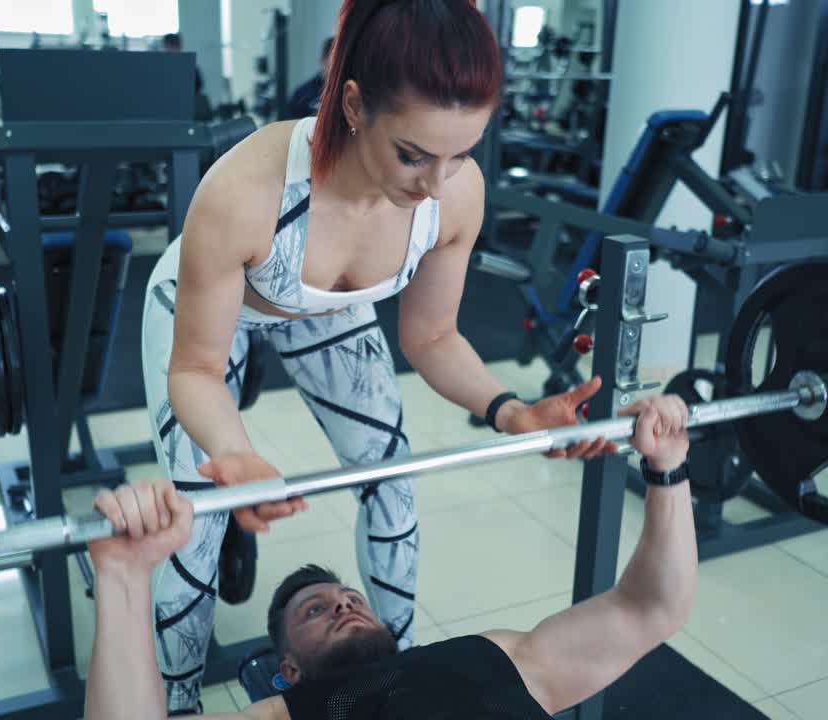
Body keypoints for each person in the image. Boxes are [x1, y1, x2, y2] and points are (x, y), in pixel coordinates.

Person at [140, 0, 608, 712]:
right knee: (197, 518)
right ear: (355, 106)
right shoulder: (245, 191)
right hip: (204, 311)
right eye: (413, 154)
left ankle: (398, 679)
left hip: (328, 309)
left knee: (392, 478)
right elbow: (196, 370)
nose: (435, 185)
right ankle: (178, 705)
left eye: (461, 154)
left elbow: (433, 337)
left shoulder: (456, 195)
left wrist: (511, 410)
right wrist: (236, 453)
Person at [85, 393, 696, 718]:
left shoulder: (497, 658)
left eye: (350, 599)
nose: (343, 605)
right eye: (316, 611)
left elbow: (651, 609)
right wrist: (123, 575)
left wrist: (668, 469)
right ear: (288, 669)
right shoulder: (287, 713)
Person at [283, 36, 334, 120]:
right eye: (333, 64)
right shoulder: (302, 95)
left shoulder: (350, 92)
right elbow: (289, 124)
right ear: (322, 61)